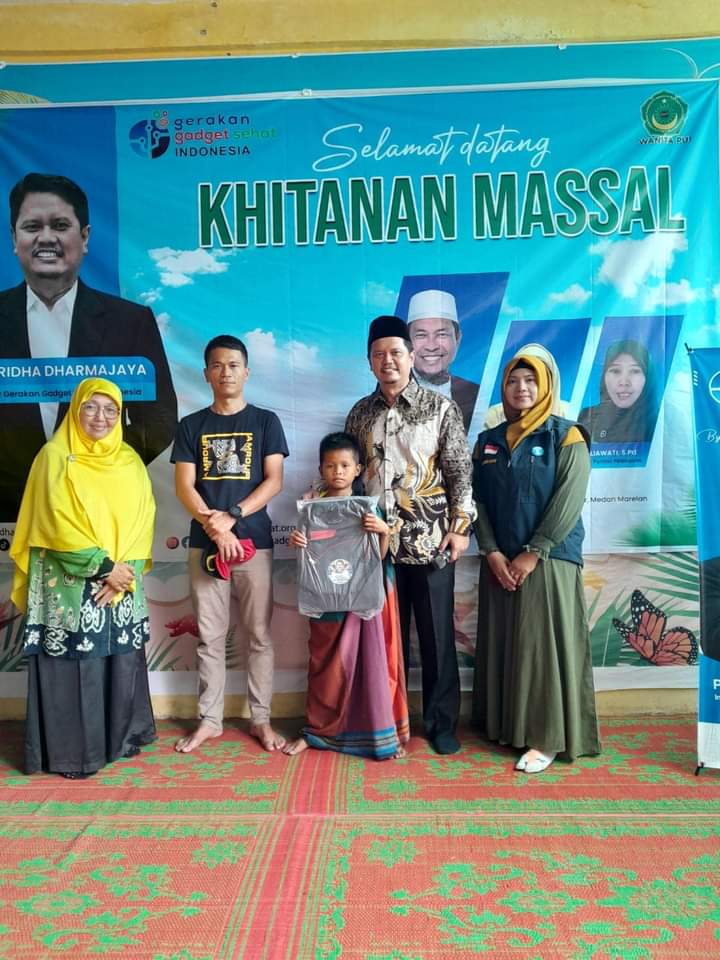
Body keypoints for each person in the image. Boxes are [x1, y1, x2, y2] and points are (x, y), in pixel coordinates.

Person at [0, 172, 177, 520]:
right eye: (32, 226)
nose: (45, 238)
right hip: (8, 509)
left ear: (84, 237)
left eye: (60, 225)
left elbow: (160, 421)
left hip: (96, 504)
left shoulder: (131, 321)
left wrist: (102, 469)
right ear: (14, 238)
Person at [9, 377, 157, 778]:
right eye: (90, 407)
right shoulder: (54, 457)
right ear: (75, 409)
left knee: (119, 662)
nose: (100, 417)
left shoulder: (129, 460)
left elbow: (144, 516)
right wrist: (106, 568)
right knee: (75, 667)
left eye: (111, 409)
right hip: (70, 584)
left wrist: (123, 572)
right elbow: (55, 520)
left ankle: (120, 740)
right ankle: (74, 755)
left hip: (121, 583)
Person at [345, 315, 475, 755]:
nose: (388, 361)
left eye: (396, 353)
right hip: (375, 545)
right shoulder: (360, 413)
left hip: (430, 541)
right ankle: (389, 720)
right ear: (369, 361)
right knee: (386, 639)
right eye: (379, 354)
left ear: (412, 355)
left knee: (437, 638)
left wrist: (460, 529)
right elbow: (351, 475)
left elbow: (459, 472)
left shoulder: (441, 408)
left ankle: (441, 724)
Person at [472, 354, 600, 774]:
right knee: (506, 643)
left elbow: (568, 501)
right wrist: (491, 551)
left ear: (545, 386)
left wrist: (534, 552)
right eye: (514, 380)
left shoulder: (567, 436)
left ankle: (546, 738)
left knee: (542, 649)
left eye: (531, 380)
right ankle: (507, 728)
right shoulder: (488, 441)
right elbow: (477, 501)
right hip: (499, 561)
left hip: (549, 560)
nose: (522, 388)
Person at [171, 334, 289, 753]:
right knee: (210, 637)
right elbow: (184, 486)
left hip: (255, 542)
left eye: (234, 365)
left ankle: (261, 719)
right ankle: (210, 720)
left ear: (247, 372)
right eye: (218, 365)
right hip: (205, 547)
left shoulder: (266, 422)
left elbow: (274, 480)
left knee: (259, 635)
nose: (226, 372)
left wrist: (234, 516)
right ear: (206, 374)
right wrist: (217, 529)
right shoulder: (191, 426)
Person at [284, 432, 409, 760]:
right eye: (330, 465)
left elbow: (381, 556)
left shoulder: (369, 508)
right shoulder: (311, 508)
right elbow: (309, 552)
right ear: (320, 469)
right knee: (324, 667)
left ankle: (380, 735)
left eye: (344, 465)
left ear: (358, 470)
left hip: (363, 598)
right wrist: (297, 541)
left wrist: (383, 531)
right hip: (326, 601)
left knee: (371, 664)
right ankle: (318, 732)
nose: (337, 471)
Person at [406, 288, 479, 432]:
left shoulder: (476, 394)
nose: (431, 346)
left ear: (457, 339)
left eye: (441, 334)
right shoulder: (392, 394)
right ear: (407, 342)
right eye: (421, 335)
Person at [578, 339, 656, 443]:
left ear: (648, 377)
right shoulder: (586, 418)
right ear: (604, 376)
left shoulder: (659, 422)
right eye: (615, 371)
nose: (624, 382)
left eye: (634, 371)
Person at [483, 341, 568, 429]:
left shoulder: (570, 419)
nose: (521, 388)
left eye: (530, 380)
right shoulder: (493, 418)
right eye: (512, 381)